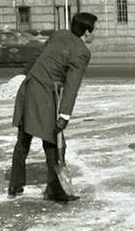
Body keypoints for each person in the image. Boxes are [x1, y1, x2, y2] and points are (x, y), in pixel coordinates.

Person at [8, 11, 97, 204]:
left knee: (23, 139)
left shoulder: (59, 34)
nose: (94, 34)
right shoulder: (82, 52)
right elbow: (72, 86)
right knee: (54, 143)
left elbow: (37, 55)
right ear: (87, 32)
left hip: (29, 86)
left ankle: (15, 185)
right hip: (44, 95)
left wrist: (27, 75)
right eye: (93, 30)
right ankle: (56, 191)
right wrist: (64, 116)